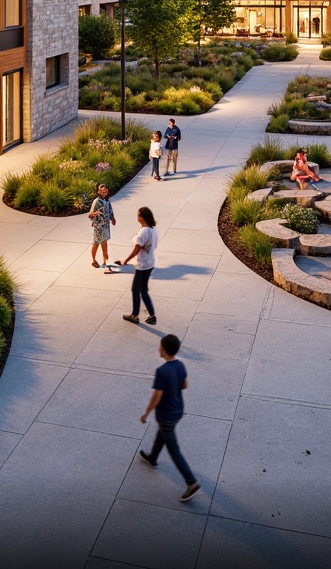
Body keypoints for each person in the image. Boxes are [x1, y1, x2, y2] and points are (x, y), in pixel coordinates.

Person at [138, 333, 199, 502]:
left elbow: (156, 396)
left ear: (163, 350)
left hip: (166, 415)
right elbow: (185, 385)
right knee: (163, 434)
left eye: (159, 347)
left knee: (174, 449)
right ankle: (152, 458)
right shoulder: (180, 365)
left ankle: (191, 482)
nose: (158, 348)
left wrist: (146, 413)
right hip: (178, 411)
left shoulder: (162, 371)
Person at [117, 206, 158, 324]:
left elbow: (136, 249)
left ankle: (134, 315)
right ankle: (152, 315)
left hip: (142, 265)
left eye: (138, 215)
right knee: (143, 289)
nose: (137, 217)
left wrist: (125, 260)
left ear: (142, 217)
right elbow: (154, 246)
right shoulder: (153, 230)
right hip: (150, 263)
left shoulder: (144, 232)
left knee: (135, 289)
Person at [88, 183, 116, 271]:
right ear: (98, 192)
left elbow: (110, 211)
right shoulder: (96, 202)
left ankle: (105, 261)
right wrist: (94, 215)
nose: (104, 193)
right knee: (96, 244)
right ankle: (93, 260)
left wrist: (112, 218)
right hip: (99, 228)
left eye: (105, 191)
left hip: (106, 227)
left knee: (104, 244)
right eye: (102, 191)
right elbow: (90, 214)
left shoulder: (107, 201)